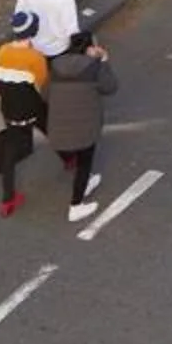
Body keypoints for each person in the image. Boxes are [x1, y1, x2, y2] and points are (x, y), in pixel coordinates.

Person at [46, 31, 116, 217]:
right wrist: (104, 61)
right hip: (85, 129)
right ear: (90, 48)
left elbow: (46, 93)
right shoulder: (93, 67)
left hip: (58, 128)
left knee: (79, 161)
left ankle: (85, 184)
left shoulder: (56, 66)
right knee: (85, 163)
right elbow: (110, 87)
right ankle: (76, 205)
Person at [0, 16, 49, 217]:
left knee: (10, 151)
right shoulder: (35, 57)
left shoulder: (2, 51)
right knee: (50, 128)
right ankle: (69, 158)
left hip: (9, 109)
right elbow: (39, 83)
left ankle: (8, 199)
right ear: (33, 31)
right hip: (30, 108)